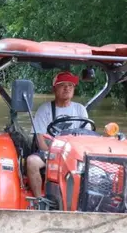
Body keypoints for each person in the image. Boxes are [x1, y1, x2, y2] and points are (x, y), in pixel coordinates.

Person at [25, 71, 88, 199]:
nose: (67, 88)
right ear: (54, 89)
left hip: (75, 154)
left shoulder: (80, 109)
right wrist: (55, 155)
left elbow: (87, 137)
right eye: (62, 85)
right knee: (32, 162)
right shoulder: (45, 109)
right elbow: (40, 141)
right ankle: (39, 200)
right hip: (50, 152)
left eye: (70, 85)